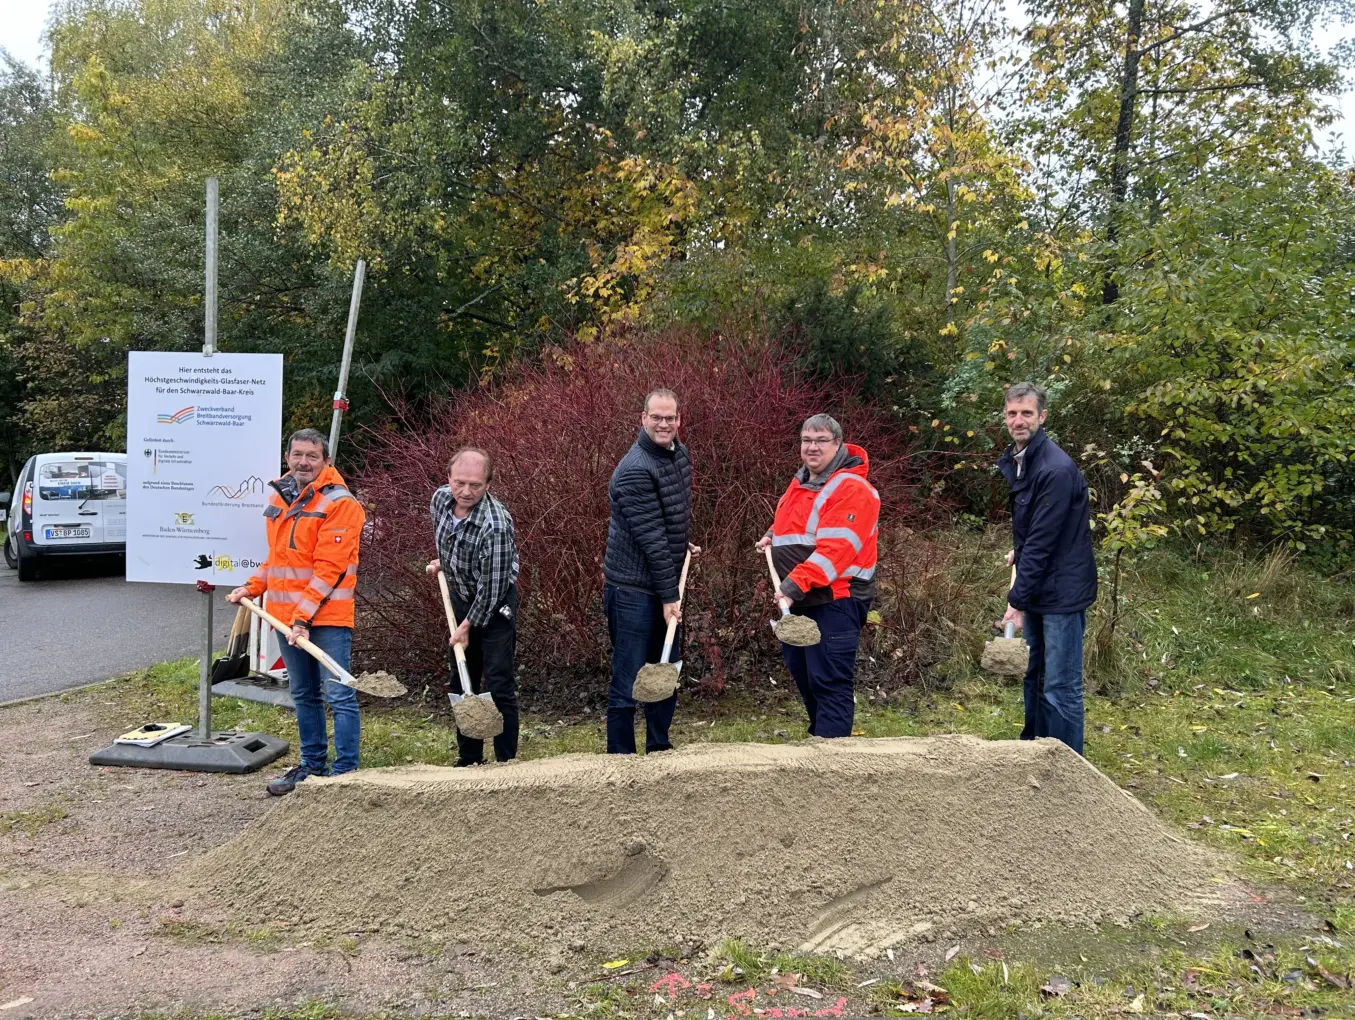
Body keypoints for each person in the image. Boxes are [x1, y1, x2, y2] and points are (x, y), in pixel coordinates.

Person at [228, 428, 365, 796]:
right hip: (287, 620)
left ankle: (346, 773)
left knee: (338, 695)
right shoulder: (283, 496)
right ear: (288, 457)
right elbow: (279, 560)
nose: (303, 462)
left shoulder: (341, 503)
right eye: (297, 454)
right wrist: (252, 587)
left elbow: (328, 570)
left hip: (325, 620)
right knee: (304, 695)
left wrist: (303, 618)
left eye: (312, 456)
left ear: (326, 461)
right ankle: (311, 767)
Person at [757, 414, 879, 738]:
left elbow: (835, 552)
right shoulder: (803, 483)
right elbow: (801, 526)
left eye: (821, 440)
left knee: (829, 682)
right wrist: (773, 534)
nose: (812, 447)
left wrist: (792, 585)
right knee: (806, 676)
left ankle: (833, 767)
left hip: (836, 600)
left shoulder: (851, 487)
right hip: (803, 600)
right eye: (806, 440)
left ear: (837, 444)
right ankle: (819, 749)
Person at [996, 382, 1098, 755]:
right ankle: (1034, 754)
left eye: (1026, 413)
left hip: (1062, 592)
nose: (1018, 420)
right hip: (1041, 582)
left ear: (1042, 416)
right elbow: (1037, 528)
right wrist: (1019, 552)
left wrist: (1016, 600)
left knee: (1060, 685)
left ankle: (1069, 769)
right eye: (1012, 413)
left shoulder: (1054, 468)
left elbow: (1043, 541)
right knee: (1035, 675)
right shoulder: (1022, 459)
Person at [603, 388, 696, 755]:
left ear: (678, 420)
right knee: (629, 676)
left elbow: (668, 519)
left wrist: (681, 543)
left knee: (665, 668)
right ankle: (621, 759)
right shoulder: (634, 470)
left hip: (661, 577)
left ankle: (659, 748)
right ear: (643, 419)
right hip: (632, 590)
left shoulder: (679, 453)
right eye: (656, 417)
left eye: (669, 417)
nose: (663, 423)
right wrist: (670, 596)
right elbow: (652, 539)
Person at [425, 447, 521, 766]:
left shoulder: (496, 524)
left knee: (497, 683)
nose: (465, 492)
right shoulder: (440, 499)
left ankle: (505, 761)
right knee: (461, 679)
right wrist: (448, 563)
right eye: (459, 483)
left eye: (475, 485)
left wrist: (467, 626)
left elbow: (492, 588)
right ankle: (469, 760)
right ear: (449, 478)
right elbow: (448, 536)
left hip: (494, 605)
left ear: (488, 484)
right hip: (461, 597)